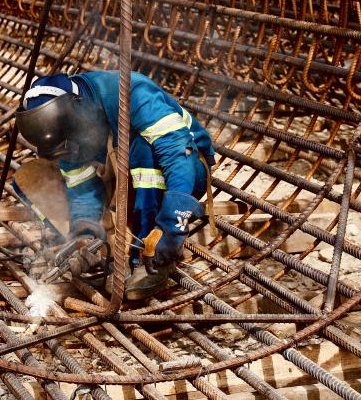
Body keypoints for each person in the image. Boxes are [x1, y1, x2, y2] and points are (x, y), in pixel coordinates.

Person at [14, 71, 215, 300]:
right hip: (125, 178)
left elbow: (178, 155)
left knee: (143, 148)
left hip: (185, 172)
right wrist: (84, 229)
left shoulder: (131, 93)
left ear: (77, 109)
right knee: (30, 177)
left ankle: (149, 257)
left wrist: (173, 222)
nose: (70, 150)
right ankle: (105, 244)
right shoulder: (68, 125)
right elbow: (81, 187)